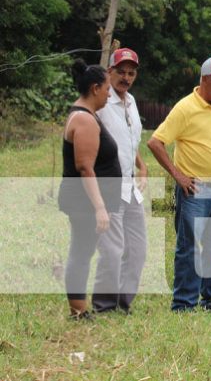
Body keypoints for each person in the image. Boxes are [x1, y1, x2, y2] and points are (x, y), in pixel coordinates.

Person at [147, 56, 211, 311]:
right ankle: (184, 304)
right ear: (204, 80)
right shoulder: (186, 108)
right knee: (191, 247)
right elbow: (155, 142)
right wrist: (178, 175)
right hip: (194, 189)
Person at [58, 59, 121, 319]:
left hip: (87, 200)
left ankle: (79, 308)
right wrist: (100, 208)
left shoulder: (87, 115)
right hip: (84, 201)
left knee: (82, 251)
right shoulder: (84, 120)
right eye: (107, 89)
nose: (109, 94)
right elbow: (85, 168)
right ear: (95, 88)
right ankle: (79, 311)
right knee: (81, 253)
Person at [92, 48, 147, 313]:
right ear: (109, 72)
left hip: (131, 186)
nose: (126, 77)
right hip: (108, 185)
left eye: (131, 73)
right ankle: (104, 305)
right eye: (121, 72)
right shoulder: (100, 103)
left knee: (137, 250)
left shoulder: (132, 102)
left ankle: (123, 304)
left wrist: (142, 164)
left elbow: (128, 139)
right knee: (112, 251)